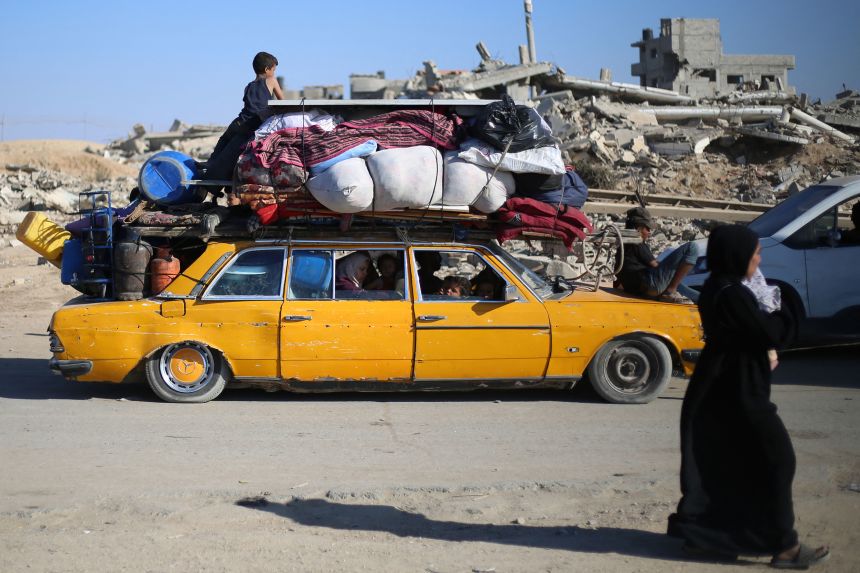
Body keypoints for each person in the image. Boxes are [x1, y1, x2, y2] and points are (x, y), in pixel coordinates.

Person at [667, 225, 830, 569]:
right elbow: (769, 333)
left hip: (724, 386)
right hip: (738, 391)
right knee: (777, 460)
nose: (759, 259)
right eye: (755, 253)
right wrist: (784, 306)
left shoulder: (721, 287)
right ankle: (784, 547)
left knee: (728, 467)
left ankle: (708, 539)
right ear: (736, 255)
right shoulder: (732, 294)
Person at [203, 52, 285, 183]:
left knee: (225, 139)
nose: (274, 73)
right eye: (274, 70)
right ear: (267, 69)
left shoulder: (249, 86)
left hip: (240, 121)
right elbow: (283, 101)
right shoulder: (271, 81)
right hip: (256, 121)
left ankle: (211, 162)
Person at [614, 207, 699, 303]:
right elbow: (655, 264)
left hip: (638, 290)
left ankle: (703, 299)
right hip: (649, 285)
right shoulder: (637, 242)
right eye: (648, 228)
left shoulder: (623, 244)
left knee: (685, 289)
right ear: (638, 228)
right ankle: (670, 292)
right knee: (692, 247)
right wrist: (674, 266)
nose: (649, 232)